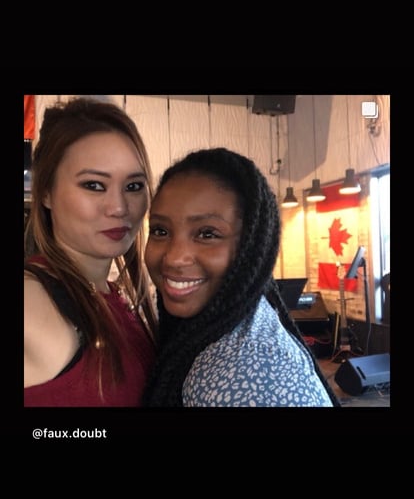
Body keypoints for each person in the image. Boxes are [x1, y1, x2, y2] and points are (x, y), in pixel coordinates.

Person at [142, 147, 340, 407]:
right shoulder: (220, 333)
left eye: (207, 234)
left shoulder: (241, 374)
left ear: (251, 247)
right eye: (160, 230)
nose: (174, 258)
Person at [24, 97, 157, 407]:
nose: (119, 207)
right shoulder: (31, 300)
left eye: (133, 186)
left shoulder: (115, 299)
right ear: (46, 192)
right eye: (94, 185)